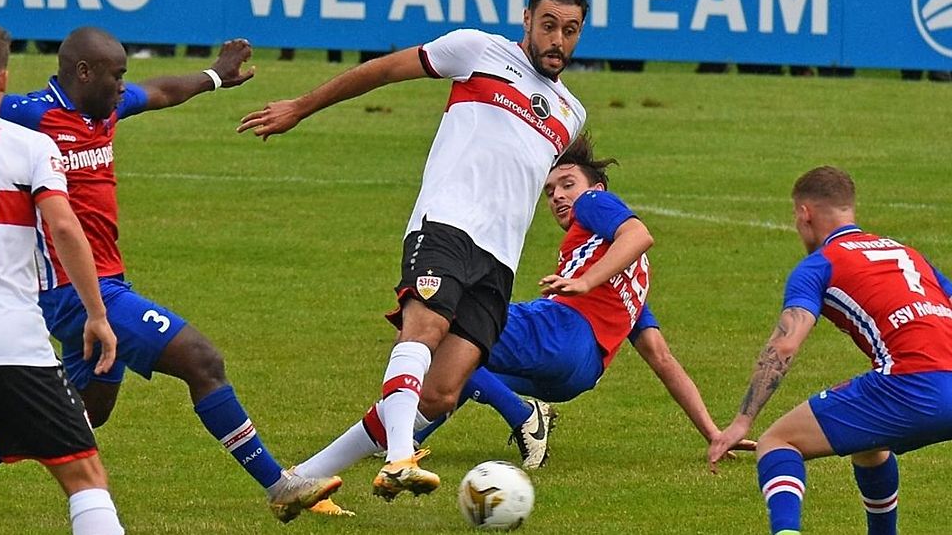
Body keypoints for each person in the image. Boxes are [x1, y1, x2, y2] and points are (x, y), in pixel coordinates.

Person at [239, 0, 589, 503]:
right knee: (424, 329)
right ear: (528, 21)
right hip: (446, 223)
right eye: (549, 25)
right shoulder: (477, 50)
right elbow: (383, 71)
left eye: (571, 30)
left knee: (442, 392)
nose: (558, 40)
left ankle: (299, 481)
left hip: (499, 260)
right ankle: (399, 458)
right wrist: (300, 106)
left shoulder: (570, 112)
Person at [295, 133, 756, 517]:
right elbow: (661, 356)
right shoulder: (627, 278)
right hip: (579, 372)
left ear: (595, 186)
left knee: (437, 328)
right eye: (550, 189)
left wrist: (582, 282)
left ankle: (518, 417)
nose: (558, 196)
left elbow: (638, 233)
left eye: (567, 183)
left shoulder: (596, 207)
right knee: (449, 374)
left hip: (559, 331)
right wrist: (713, 432)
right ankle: (394, 444)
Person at [0, 26, 340, 523]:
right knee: (201, 360)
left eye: (124, 77)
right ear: (82, 72)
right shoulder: (29, 115)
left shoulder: (105, 108)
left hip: (104, 284)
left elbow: (160, 92)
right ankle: (280, 484)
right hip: (72, 292)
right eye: (115, 76)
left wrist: (215, 77)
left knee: (79, 417)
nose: (122, 87)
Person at [708, 166, 952, 535]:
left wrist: (742, 422)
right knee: (870, 444)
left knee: (778, 441)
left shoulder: (820, 264)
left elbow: (786, 342)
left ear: (805, 213)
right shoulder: (908, 255)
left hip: (911, 385)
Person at [0, 23, 124, 534]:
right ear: (3, 79)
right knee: (84, 473)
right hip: (13, 341)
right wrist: (96, 313)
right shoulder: (31, 145)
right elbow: (65, 227)